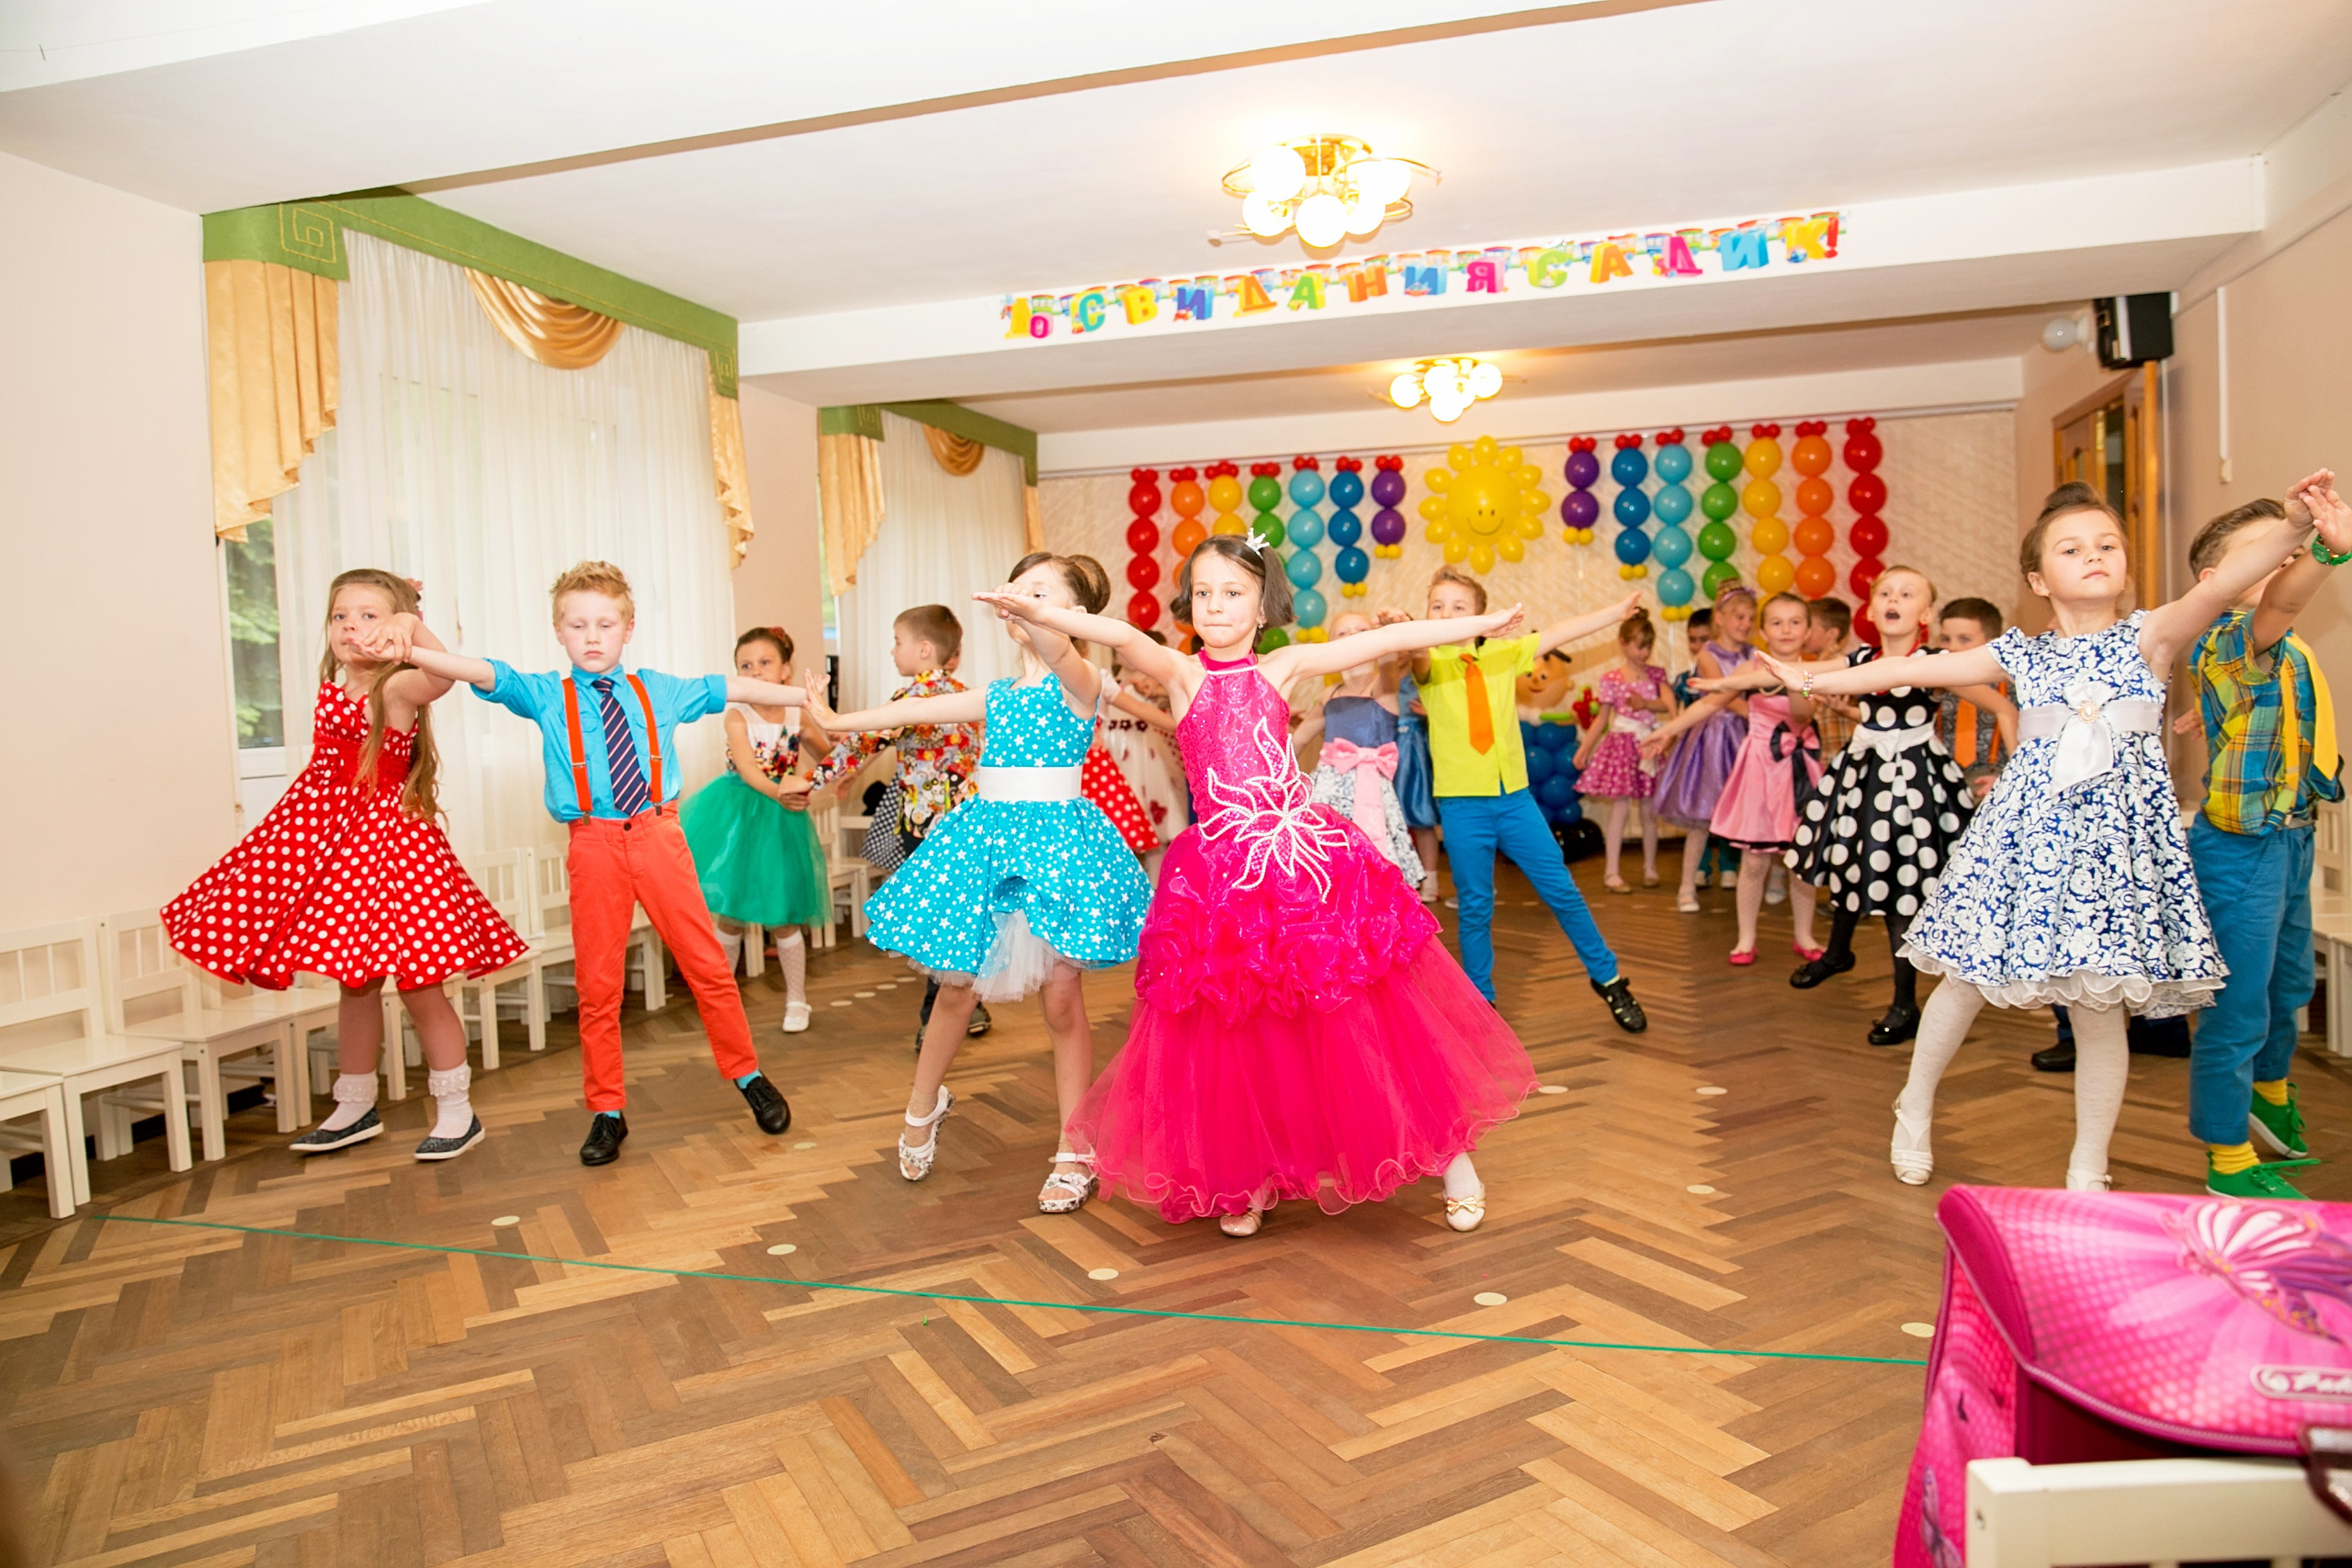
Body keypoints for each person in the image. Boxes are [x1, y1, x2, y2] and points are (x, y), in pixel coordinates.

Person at [1763, 477, 2349, 1190]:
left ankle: (2088, 1165)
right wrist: (1811, 675)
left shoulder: (2153, 635)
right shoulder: (2022, 655)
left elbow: (2229, 580)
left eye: (2107, 544)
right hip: (2020, 845)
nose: (2095, 555)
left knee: (2099, 1011)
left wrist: (2295, 527)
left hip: (2113, 856)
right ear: (2040, 578)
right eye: (2072, 548)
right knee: (1964, 982)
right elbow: (1914, 667)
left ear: (2126, 564)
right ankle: (1913, 1103)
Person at [1018, 535, 1542, 1237]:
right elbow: (1112, 631)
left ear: (1262, 604)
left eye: (1232, 592)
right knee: (1244, 1035)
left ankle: (1454, 1160)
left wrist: (1477, 625)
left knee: (1370, 1020)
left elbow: (1395, 639)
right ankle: (1249, 1175)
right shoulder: (1182, 673)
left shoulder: (1282, 665)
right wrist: (1039, 609)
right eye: (1203, 592)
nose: (1216, 605)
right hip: (1223, 880)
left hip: (1303, 866)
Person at [385, 561, 797, 1166]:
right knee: (598, 985)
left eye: (605, 623)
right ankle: (607, 1110)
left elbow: (740, 689)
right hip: (593, 846)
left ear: (627, 628)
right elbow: (474, 669)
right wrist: (413, 632)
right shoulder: (546, 694)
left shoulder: (660, 687)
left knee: (707, 963)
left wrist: (806, 699)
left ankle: (748, 1075)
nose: (593, 635)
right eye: (579, 625)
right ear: (560, 632)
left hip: (660, 837)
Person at [807, 552, 1154, 1214]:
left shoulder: (1081, 680)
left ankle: (1074, 1145)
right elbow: (913, 712)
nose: (1022, 602)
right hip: (984, 846)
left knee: (1061, 997)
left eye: (1041, 593)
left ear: (1073, 616)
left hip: (1056, 850)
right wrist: (832, 720)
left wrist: (1036, 614)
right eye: (1016, 591)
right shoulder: (996, 695)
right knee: (955, 988)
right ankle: (922, 1104)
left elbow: (1060, 653)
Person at [165, 570, 526, 1162]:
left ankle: (457, 1111)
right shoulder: (334, 688)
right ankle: (354, 1105)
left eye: (369, 617)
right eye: (341, 617)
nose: (352, 628)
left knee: (420, 986)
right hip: (331, 843)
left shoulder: (396, 690)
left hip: (392, 851)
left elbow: (444, 675)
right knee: (355, 984)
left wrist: (410, 629)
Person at [2182, 491, 2350, 1199]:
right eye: (2266, 553)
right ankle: (2228, 1162)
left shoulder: (2268, 644)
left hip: (2292, 837)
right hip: (2239, 848)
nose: (2283, 559)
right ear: (2211, 582)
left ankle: (2270, 1095)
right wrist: (2326, 551)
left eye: (2287, 549)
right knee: (2238, 1004)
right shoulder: (2226, 633)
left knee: (2286, 986)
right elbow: (2274, 614)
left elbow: (2270, 694)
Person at [1404, 567, 1650, 1031]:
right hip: (1462, 806)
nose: (1447, 615)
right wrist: (1409, 630)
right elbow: (1417, 656)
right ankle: (1482, 999)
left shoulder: (1502, 653)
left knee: (1562, 891)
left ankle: (1609, 978)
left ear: (1481, 615)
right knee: (1476, 903)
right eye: (1437, 607)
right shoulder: (1431, 664)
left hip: (1514, 800)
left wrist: (1616, 613)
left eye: (1459, 607)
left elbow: (1559, 632)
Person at [1780, 568, 1981, 1044]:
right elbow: (1808, 682)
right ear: (1871, 610)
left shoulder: (1934, 661)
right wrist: (1779, 672)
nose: (1895, 599)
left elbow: (1996, 703)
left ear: (1925, 614)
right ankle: (1837, 954)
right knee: (1852, 864)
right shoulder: (1862, 658)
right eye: (1886, 593)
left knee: (1900, 888)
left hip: (1915, 781)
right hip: (1863, 772)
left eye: (1908, 593)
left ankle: (1905, 1002)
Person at [807, 604, 990, 1049]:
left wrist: (811, 780)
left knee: (934, 921)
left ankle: (939, 1013)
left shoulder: (911, 699)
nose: (892, 651)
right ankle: (966, 1002)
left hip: (925, 829)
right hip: (968, 826)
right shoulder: (967, 696)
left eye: (897, 641)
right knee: (959, 919)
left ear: (924, 649)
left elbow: (863, 741)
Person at [1645, 592, 1822, 965]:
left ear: (1807, 631)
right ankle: (1746, 938)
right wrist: (1668, 730)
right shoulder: (1748, 670)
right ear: (1764, 630)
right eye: (1776, 622)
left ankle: (1804, 934)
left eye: (1795, 622)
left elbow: (1803, 714)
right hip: (1760, 768)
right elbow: (1710, 704)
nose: (1786, 630)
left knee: (1802, 857)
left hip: (1799, 769)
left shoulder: (1815, 671)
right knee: (1754, 861)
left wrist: (1801, 680)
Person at [680, 626, 830, 1033]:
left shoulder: (797, 715)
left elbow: (830, 754)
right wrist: (780, 791)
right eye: (746, 666)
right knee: (729, 913)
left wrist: (812, 781)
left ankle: (797, 999)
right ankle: (721, 1003)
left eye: (765, 663)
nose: (756, 671)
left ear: (786, 670)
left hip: (781, 823)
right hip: (740, 817)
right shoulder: (736, 714)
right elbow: (747, 769)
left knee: (783, 915)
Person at [1293, 610, 1426, 884]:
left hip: (1370, 794)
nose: (1353, 637)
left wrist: (1392, 629)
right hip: (1328, 794)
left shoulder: (1383, 687)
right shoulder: (1329, 694)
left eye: (1361, 631)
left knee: (1371, 865)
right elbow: (1300, 739)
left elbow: (1390, 657)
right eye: (1343, 633)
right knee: (1328, 864)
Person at [1653, 586, 1758, 911]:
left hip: (1745, 739)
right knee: (1701, 818)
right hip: (1713, 738)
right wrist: (1765, 717)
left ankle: (1762, 879)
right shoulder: (1707, 655)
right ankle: (1687, 886)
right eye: (1739, 617)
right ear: (1720, 618)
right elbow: (1728, 698)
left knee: (1754, 814)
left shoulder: (1754, 655)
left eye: (1751, 618)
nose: (1745, 624)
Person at [1574, 609, 1675, 893]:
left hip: (1647, 746)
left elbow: (1668, 704)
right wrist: (1585, 748)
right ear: (1623, 643)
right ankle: (1612, 873)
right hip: (1621, 747)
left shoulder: (1656, 674)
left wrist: (1646, 704)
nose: (1645, 652)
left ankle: (1650, 868)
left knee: (1647, 810)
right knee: (1619, 810)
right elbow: (1603, 719)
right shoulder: (1611, 679)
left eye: (1648, 646)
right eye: (1639, 645)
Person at [1935, 597, 2017, 796]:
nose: (1952, 647)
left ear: (1992, 644)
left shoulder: (2014, 687)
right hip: (1942, 780)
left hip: (1992, 779)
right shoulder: (1936, 685)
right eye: (1946, 639)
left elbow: (2030, 743)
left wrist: (2008, 778)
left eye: (1964, 639)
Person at [1804, 596, 1860, 760]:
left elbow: (1807, 697)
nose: (1803, 633)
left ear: (1832, 634)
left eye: (1809, 627)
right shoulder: (1817, 665)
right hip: (1826, 755)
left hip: (1840, 755)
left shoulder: (1840, 666)